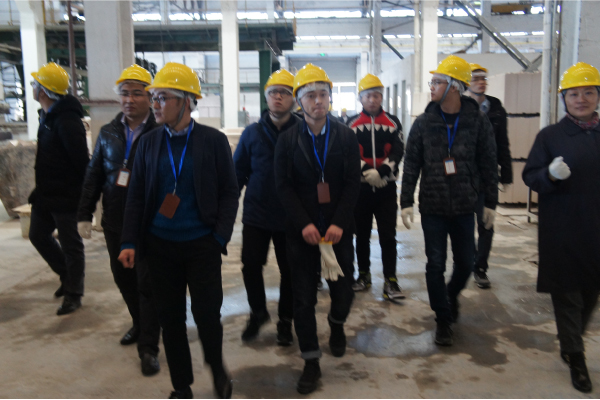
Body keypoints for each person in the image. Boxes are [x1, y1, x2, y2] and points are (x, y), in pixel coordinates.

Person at [118, 62, 238, 399]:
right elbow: (136, 195)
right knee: (170, 318)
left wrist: (219, 237)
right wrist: (129, 240)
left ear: (186, 101)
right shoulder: (148, 143)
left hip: (201, 245)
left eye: (162, 98)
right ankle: (181, 386)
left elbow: (230, 192)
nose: (154, 104)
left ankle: (217, 368)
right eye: (154, 97)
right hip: (159, 247)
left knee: (207, 315)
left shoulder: (213, 141)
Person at [274, 63, 361, 394]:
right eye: (310, 96)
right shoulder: (287, 140)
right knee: (303, 299)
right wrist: (304, 224)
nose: (318, 101)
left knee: (343, 292)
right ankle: (311, 361)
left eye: (323, 94)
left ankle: (337, 324)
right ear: (299, 101)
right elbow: (283, 187)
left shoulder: (346, 136)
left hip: (338, 231)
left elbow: (352, 183)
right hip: (302, 234)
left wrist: (339, 222)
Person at [400, 55, 498, 346]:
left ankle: (449, 295)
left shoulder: (477, 122)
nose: (431, 87)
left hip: (465, 206)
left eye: (437, 82)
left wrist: (490, 202)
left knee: (467, 263)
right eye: (432, 82)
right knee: (435, 264)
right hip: (433, 206)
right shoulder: (423, 123)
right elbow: (411, 163)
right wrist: (406, 201)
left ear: (454, 86)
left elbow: (488, 162)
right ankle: (442, 319)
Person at [77, 65, 161, 376]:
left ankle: (149, 347)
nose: (129, 99)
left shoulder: (160, 132)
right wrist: (84, 213)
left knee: (147, 283)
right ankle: (140, 323)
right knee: (123, 278)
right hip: (114, 221)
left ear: (149, 98)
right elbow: (93, 175)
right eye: (125, 93)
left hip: (149, 225)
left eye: (137, 93)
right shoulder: (108, 133)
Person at [523, 62, 600, 394]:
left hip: (596, 230)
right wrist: (550, 175)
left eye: (588, 92)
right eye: (573, 94)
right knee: (568, 295)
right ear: (564, 99)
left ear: (598, 96)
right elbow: (531, 176)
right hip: (563, 229)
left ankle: (571, 340)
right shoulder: (550, 137)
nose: (581, 99)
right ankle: (576, 356)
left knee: (590, 293)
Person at [233, 69, 300, 345]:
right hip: (257, 214)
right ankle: (258, 312)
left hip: (291, 216)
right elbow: (238, 173)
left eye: (284, 92)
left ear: (294, 98)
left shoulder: (303, 131)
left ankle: (286, 320)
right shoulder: (251, 133)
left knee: (290, 271)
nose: (278, 97)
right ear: (266, 97)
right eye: (273, 92)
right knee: (250, 266)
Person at [28, 62, 89, 316]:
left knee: (71, 245)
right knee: (37, 235)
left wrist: (83, 199)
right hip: (46, 195)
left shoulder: (67, 121)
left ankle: (74, 293)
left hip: (66, 196)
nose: (32, 87)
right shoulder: (47, 116)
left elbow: (82, 162)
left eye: (35, 84)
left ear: (43, 91)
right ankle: (66, 274)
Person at [347, 73, 405, 300]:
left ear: (382, 98)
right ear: (360, 98)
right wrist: (366, 172)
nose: (372, 100)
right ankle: (363, 275)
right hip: (360, 190)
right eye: (368, 95)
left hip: (386, 189)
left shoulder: (393, 122)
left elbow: (399, 150)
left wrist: (382, 172)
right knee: (361, 235)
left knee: (388, 236)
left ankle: (391, 280)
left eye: (377, 95)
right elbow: (348, 152)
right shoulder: (351, 123)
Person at [465, 63, 513, 289]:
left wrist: (507, 174)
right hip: (464, 177)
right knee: (464, 224)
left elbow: (503, 143)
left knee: (486, 222)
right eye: (475, 79)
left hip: (487, 175)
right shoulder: (460, 107)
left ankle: (480, 268)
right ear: (467, 83)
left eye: (483, 78)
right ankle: (470, 259)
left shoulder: (496, 108)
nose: (481, 82)